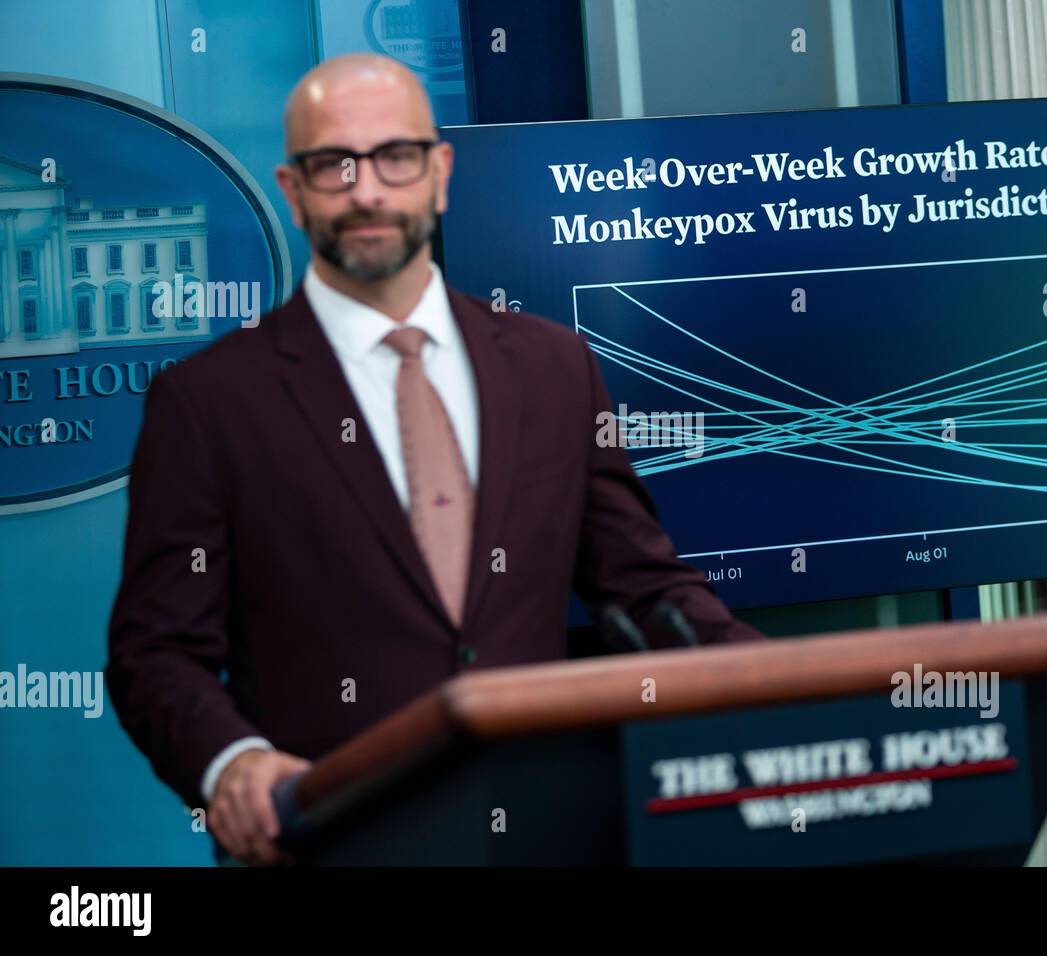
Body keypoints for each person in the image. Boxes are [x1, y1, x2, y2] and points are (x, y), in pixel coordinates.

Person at [105, 54, 764, 866]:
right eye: (334, 164)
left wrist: (785, 692)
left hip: (545, 837)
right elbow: (156, 654)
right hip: (337, 842)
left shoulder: (557, 368)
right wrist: (233, 765)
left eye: (396, 157)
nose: (368, 190)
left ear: (439, 172)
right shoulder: (208, 403)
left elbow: (643, 586)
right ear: (293, 189)